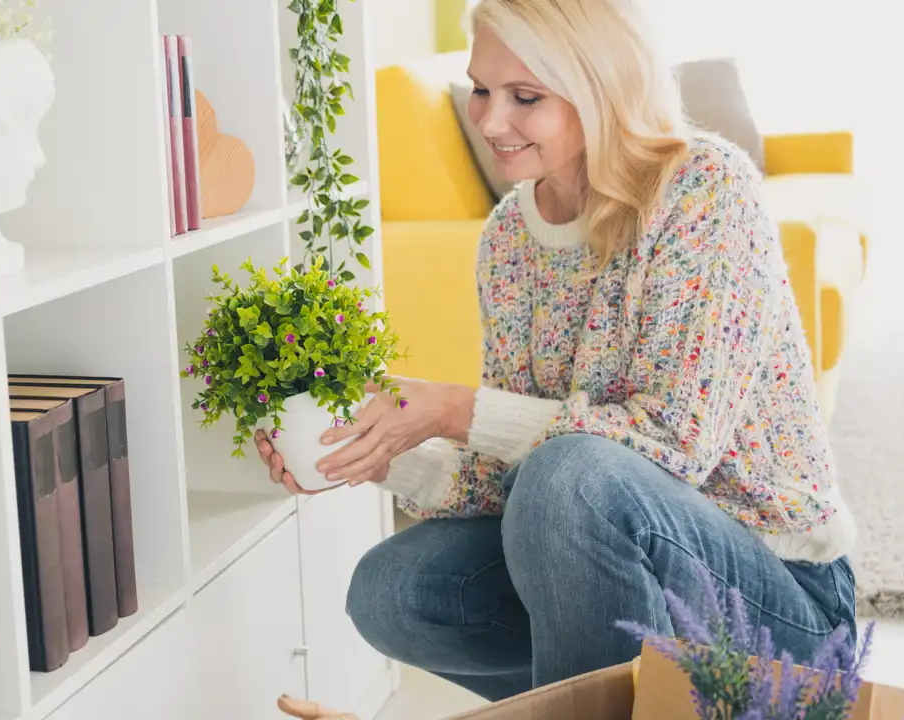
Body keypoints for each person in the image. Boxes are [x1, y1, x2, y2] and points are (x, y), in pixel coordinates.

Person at [254, 0, 858, 703]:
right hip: (613, 566)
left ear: (600, 87)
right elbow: (506, 481)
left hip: (783, 598)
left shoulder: (706, 190)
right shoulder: (511, 237)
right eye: (481, 88)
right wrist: (377, 451)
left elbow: (677, 442)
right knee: (393, 590)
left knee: (569, 475)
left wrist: (452, 408)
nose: (488, 120)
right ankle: (635, 708)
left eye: (525, 97)